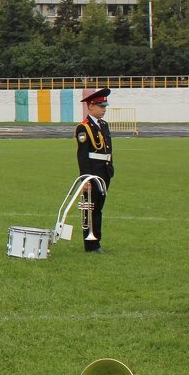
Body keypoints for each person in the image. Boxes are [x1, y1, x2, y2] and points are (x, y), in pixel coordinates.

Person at [75, 88, 114, 253]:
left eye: (104, 105)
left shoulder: (103, 125)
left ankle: (96, 240)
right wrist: (85, 179)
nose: (104, 108)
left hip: (104, 172)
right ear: (91, 106)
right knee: (89, 208)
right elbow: (83, 156)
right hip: (93, 173)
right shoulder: (84, 128)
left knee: (98, 208)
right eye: (100, 105)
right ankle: (91, 244)